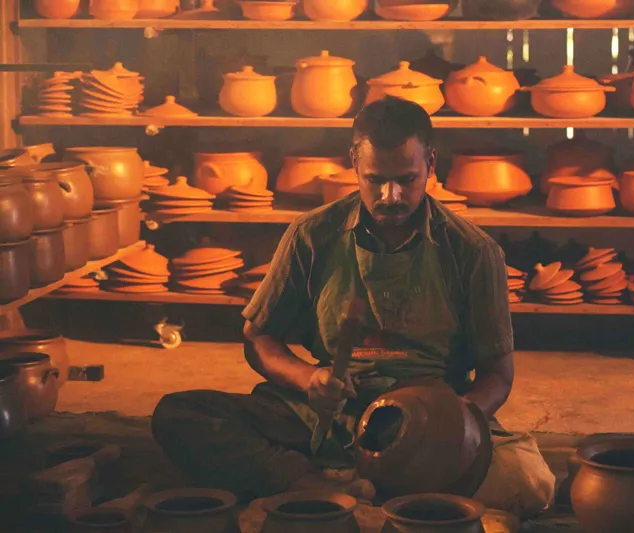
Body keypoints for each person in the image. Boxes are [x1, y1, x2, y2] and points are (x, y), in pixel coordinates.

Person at [151, 97, 554, 511]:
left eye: (407, 179)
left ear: (431, 163)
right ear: (354, 164)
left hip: (427, 421)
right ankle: (312, 484)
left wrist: (455, 424)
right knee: (180, 415)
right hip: (328, 414)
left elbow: (498, 376)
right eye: (376, 179)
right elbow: (259, 337)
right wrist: (309, 378)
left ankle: (347, 486)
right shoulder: (313, 234)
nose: (391, 195)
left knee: (529, 481)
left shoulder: (472, 250)